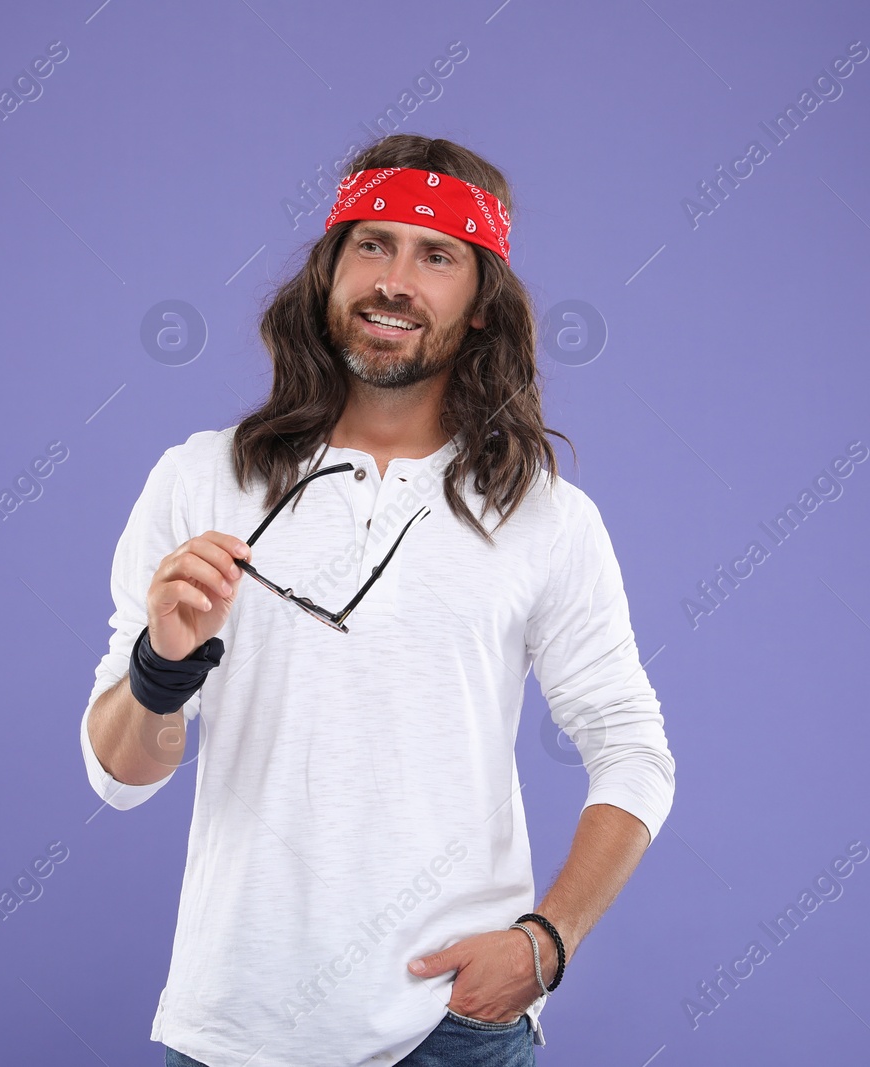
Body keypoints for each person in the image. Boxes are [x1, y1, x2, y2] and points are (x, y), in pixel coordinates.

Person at [80, 133, 675, 1067]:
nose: (395, 280)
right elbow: (117, 777)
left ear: (481, 305)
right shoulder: (200, 478)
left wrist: (546, 942)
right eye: (372, 244)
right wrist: (162, 669)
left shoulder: (545, 519)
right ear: (326, 276)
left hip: (452, 1028)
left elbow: (634, 750)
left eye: (436, 255)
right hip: (235, 1025)